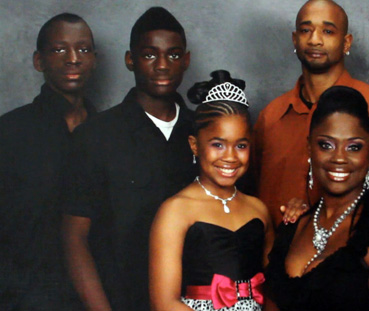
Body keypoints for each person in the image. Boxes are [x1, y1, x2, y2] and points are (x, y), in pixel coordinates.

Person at [61, 7, 196, 311]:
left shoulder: (202, 133)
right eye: (149, 55)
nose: (162, 65)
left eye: (173, 55)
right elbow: (74, 239)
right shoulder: (96, 135)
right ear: (130, 60)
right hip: (121, 300)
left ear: (186, 61)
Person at [253, 0, 369, 227]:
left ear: (346, 42)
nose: (315, 39)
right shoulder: (271, 116)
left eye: (328, 31)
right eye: (305, 30)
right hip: (273, 255)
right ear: (295, 40)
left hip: (351, 254)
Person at [264, 86, 369, 311]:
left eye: (354, 147)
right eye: (326, 145)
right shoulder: (293, 224)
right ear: (309, 146)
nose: (339, 157)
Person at [149, 70, 274, 311]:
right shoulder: (175, 210)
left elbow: (274, 290)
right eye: (218, 144)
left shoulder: (258, 209)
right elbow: (163, 302)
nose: (230, 157)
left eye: (241, 145)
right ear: (195, 145)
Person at [0, 13, 96, 311]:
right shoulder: (9, 132)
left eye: (83, 49)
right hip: (23, 297)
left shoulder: (108, 133)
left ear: (94, 59)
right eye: (59, 49)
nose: (73, 59)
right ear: (39, 61)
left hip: (96, 296)